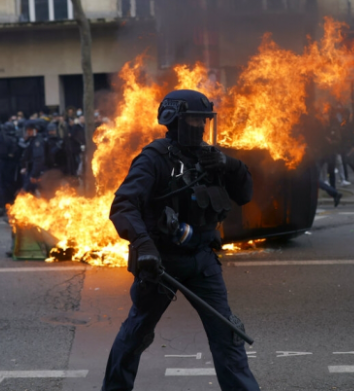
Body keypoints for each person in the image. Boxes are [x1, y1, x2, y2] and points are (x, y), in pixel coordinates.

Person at [102, 90, 260, 391]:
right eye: (193, 119)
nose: (200, 126)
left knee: (227, 335)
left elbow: (244, 195)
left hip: (203, 260)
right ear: (173, 120)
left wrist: (230, 164)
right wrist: (144, 246)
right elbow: (123, 205)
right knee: (136, 333)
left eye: (204, 120)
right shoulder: (154, 158)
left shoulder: (211, 156)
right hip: (162, 261)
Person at [20, 121, 46, 194]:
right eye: (27, 130)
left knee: (38, 191)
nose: (28, 132)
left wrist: (33, 174)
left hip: (37, 171)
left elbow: (38, 159)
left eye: (30, 130)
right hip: (32, 170)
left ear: (35, 130)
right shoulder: (32, 140)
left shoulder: (37, 141)